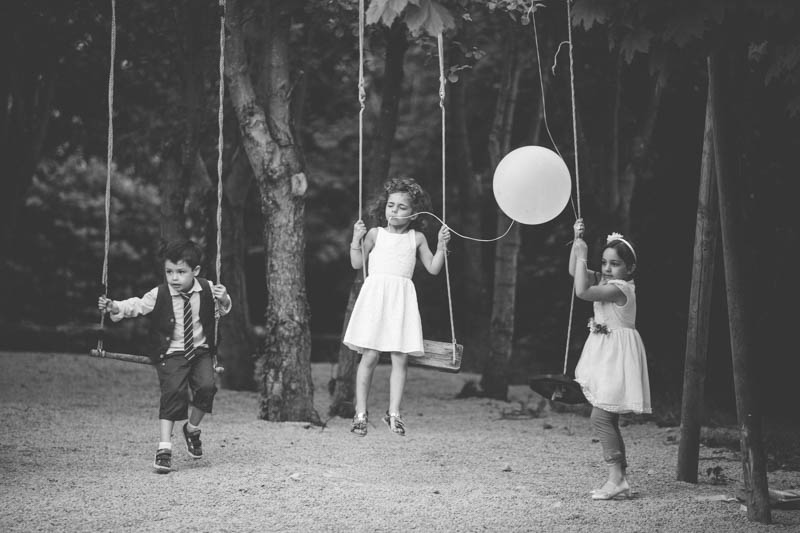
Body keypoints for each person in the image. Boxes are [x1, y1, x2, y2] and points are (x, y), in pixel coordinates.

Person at [97, 240, 232, 473]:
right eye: (169, 272)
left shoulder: (208, 288)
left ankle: (191, 429)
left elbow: (221, 311)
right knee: (173, 393)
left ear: (195, 271)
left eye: (181, 272)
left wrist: (225, 298)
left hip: (200, 350)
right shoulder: (159, 293)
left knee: (207, 388)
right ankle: (164, 448)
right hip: (171, 352)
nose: (174, 278)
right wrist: (114, 307)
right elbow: (137, 305)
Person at [343, 177, 451, 437]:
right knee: (369, 355)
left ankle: (394, 414)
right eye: (391, 205)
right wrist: (355, 240)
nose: (394, 211)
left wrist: (441, 246)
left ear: (414, 213)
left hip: (401, 298)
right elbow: (357, 264)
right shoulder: (375, 233)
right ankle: (360, 413)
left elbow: (434, 269)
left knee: (399, 357)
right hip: (376, 296)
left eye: (401, 207)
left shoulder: (417, 238)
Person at [568, 218, 651, 500]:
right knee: (606, 418)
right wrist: (577, 243)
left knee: (601, 416)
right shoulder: (607, 281)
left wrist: (582, 256)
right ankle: (620, 478)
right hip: (605, 354)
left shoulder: (620, 289)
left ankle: (616, 479)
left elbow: (581, 291)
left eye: (614, 263)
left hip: (617, 356)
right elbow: (574, 273)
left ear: (630, 268)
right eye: (604, 262)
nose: (606, 268)